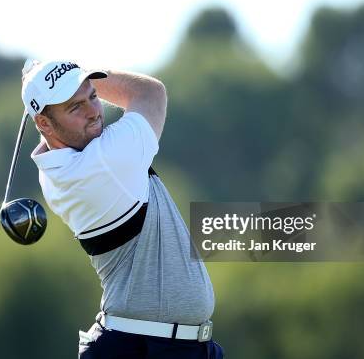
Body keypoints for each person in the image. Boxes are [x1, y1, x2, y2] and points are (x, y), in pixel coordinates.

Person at [21, 59, 223, 358]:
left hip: (155, 343)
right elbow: (150, 93)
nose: (94, 111)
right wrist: (77, 67)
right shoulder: (104, 161)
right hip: (143, 347)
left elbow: (61, 130)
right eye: (76, 107)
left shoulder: (54, 166)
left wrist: (64, 76)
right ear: (43, 123)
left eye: (92, 96)